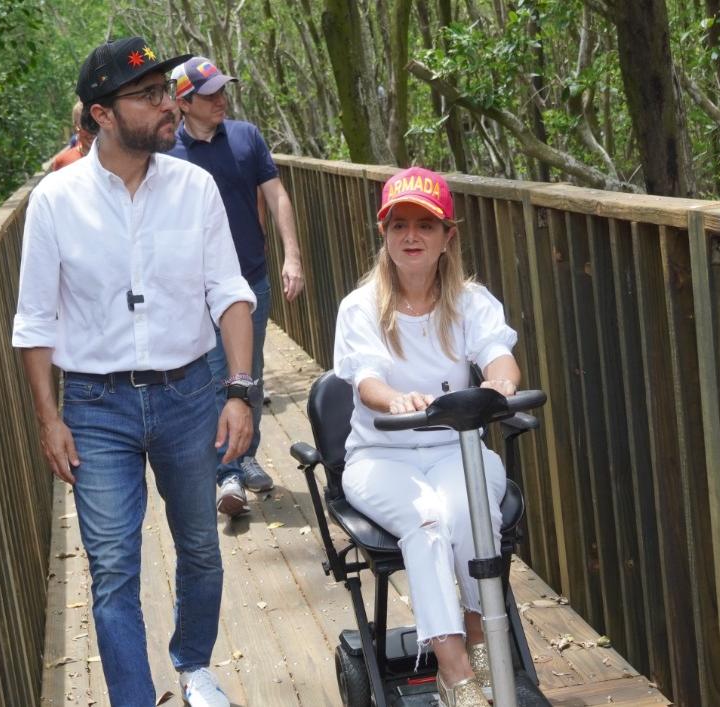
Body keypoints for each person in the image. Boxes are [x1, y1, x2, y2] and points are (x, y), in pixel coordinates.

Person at [13, 36, 256, 707]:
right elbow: (33, 323)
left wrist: (239, 389)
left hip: (189, 393)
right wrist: (48, 419)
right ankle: (131, 695)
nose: (167, 102)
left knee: (201, 547)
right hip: (95, 405)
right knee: (114, 565)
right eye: (147, 94)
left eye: (165, 89)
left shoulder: (195, 187)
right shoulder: (55, 201)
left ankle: (194, 664)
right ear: (103, 114)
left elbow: (230, 292)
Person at [331, 167, 521, 707]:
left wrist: (498, 383)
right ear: (383, 234)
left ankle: (479, 628)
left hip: (453, 447)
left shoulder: (471, 302)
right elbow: (366, 380)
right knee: (427, 520)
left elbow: (499, 357)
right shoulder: (360, 307)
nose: (411, 237)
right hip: (382, 453)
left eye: (425, 225)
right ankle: (455, 671)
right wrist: (394, 398)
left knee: (468, 513)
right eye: (399, 226)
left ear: (447, 237)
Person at [166, 56, 305, 517]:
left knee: (249, 372)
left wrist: (293, 256)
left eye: (224, 90)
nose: (221, 99)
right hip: (192, 290)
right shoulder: (166, 152)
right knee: (211, 375)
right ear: (183, 103)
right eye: (210, 95)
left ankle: (243, 458)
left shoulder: (246, 136)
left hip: (251, 279)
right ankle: (225, 471)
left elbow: (277, 195)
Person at [49, 100, 93, 171]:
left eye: (96, 124)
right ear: (76, 127)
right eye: (85, 125)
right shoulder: (63, 162)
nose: (92, 131)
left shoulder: (114, 158)